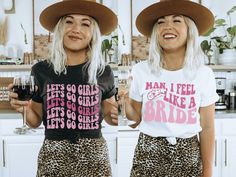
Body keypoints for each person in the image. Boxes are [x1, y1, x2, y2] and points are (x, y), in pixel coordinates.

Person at [8, 0, 118, 176]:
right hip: (53, 157)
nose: (76, 29)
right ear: (60, 28)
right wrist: (24, 109)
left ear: (93, 33)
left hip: (94, 159)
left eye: (85, 24)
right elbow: (35, 121)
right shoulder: (41, 70)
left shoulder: (102, 71)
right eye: (69, 21)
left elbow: (113, 118)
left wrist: (124, 108)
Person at [124, 0, 219, 176]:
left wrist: (207, 172)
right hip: (147, 158)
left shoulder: (203, 74)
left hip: (189, 158)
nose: (167, 26)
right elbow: (134, 121)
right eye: (161, 22)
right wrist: (125, 102)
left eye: (176, 20)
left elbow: (207, 127)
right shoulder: (140, 71)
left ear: (189, 29)